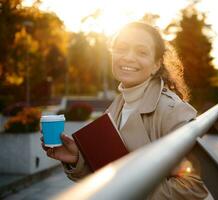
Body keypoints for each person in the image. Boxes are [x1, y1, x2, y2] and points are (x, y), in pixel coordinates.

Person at [41, 22, 208, 199]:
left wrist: (132, 189)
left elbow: (194, 186)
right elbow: (109, 174)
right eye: (121, 48)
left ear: (156, 64)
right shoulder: (116, 107)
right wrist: (77, 159)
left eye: (141, 52)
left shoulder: (173, 112)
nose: (128, 57)